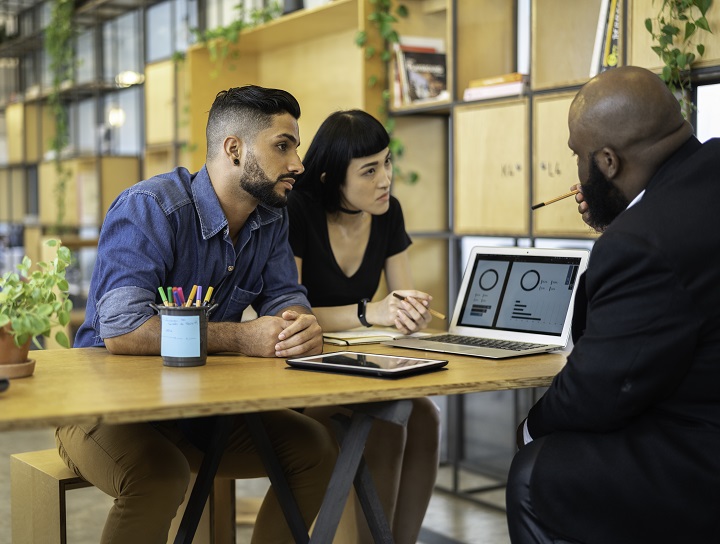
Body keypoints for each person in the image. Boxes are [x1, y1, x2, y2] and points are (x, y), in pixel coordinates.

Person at [56, 85, 339, 544]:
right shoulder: (151, 208)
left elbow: (286, 295)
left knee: (316, 448)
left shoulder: (271, 217)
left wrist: (298, 324)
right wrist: (242, 337)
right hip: (102, 409)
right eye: (283, 146)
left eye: (296, 148)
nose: (297, 164)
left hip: (197, 409)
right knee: (161, 474)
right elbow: (123, 329)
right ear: (234, 149)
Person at [506, 65, 720, 543]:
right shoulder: (695, 186)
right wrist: (624, 221)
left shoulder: (641, 240)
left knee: (537, 471)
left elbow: (600, 388)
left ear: (607, 162)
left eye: (579, 157)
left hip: (703, 454)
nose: (577, 172)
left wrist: (526, 430)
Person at [287, 109, 441, 543]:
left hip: (362, 363)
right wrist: (369, 312)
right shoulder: (299, 211)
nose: (385, 179)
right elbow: (290, 313)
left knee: (426, 416)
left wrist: (409, 312)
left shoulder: (388, 213)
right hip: (303, 369)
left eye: (387, 162)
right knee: (388, 421)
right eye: (369, 170)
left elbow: (400, 298)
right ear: (331, 178)